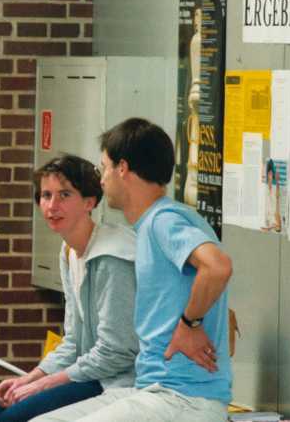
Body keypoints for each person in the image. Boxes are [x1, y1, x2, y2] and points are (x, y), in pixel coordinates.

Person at [33, 118, 233, 422]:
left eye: (104, 168)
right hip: (149, 389)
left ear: (122, 168)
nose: (102, 180)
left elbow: (217, 267)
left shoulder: (163, 220)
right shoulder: (154, 223)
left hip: (183, 398)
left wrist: (189, 324)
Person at [0, 155, 138, 422]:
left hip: (116, 380)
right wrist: (29, 379)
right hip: (87, 372)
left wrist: (44, 384)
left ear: (89, 202)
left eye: (64, 195)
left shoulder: (111, 258)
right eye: (46, 195)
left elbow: (116, 352)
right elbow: (73, 341)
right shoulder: (68, 251)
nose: (52, 205)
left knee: (12, 419)